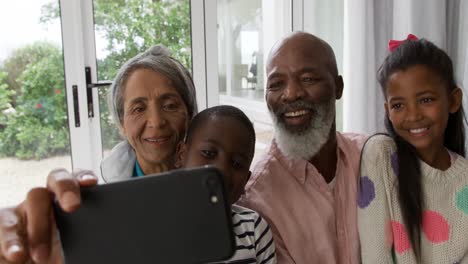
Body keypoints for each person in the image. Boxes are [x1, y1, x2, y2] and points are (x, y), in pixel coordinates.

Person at [0, 44, 198, 263]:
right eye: (138, 109)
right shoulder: (93, 211)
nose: (156, 121)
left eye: (170, 105)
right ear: (122, 124)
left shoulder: (219, 200)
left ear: (190, 114)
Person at [238, 31, 366, 263]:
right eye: (276, 84)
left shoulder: (372, 157)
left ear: (338, 87)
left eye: (307, 79)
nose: (291, 93)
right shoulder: (257, 201)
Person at [358, 36, 468, 263]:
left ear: (454, 100)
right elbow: (374, 255)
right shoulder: (380, 155)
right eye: (398, 105)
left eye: (426, 100)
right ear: (388, 110)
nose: (413, 115)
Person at [175, 105, 276, 263]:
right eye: (209, 153)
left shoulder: (254, 230)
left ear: (246, 180)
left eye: (237, 164)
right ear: (181, 155)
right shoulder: (155, 228)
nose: (221, 170)